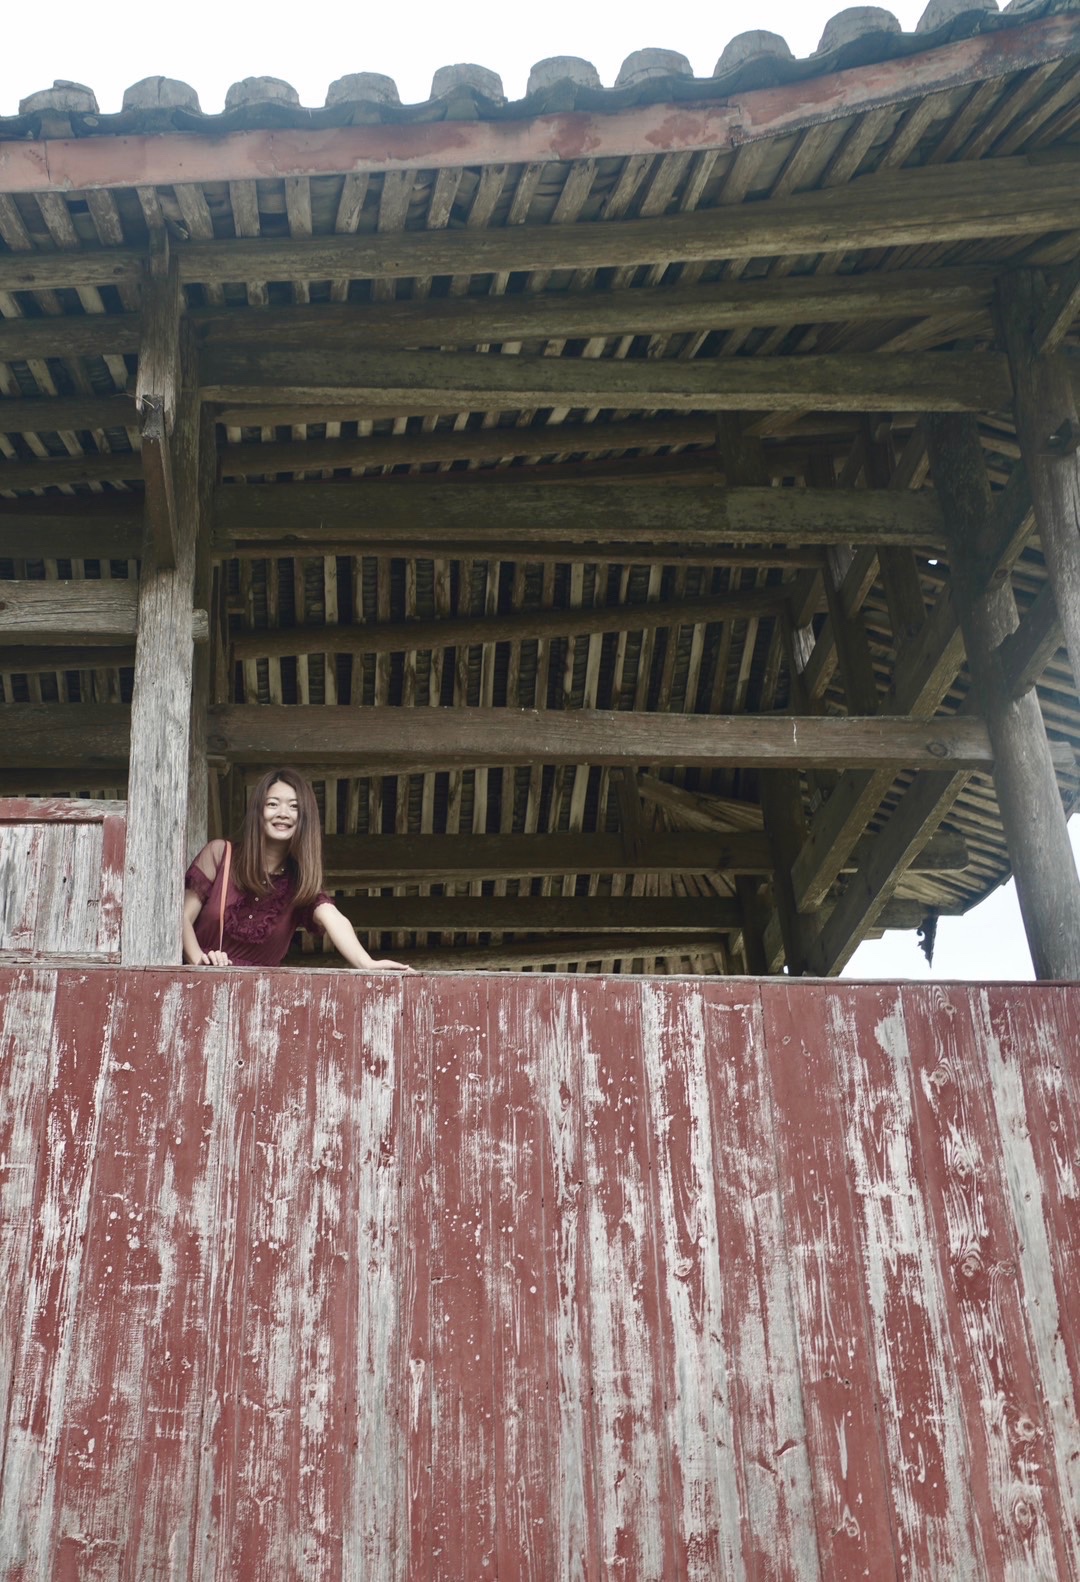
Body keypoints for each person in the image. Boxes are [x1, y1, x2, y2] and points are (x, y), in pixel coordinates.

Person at [183, 767, 413, 972]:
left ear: (305, 818)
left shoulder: (300, 884)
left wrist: (366, 963)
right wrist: (199, 961)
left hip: (259, 996)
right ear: (257, 811)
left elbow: (334, 918)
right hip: (199, 985)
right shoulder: (221, 854)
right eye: (272, 804)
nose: (283, 813)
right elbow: (182, 917)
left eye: (294, 806)